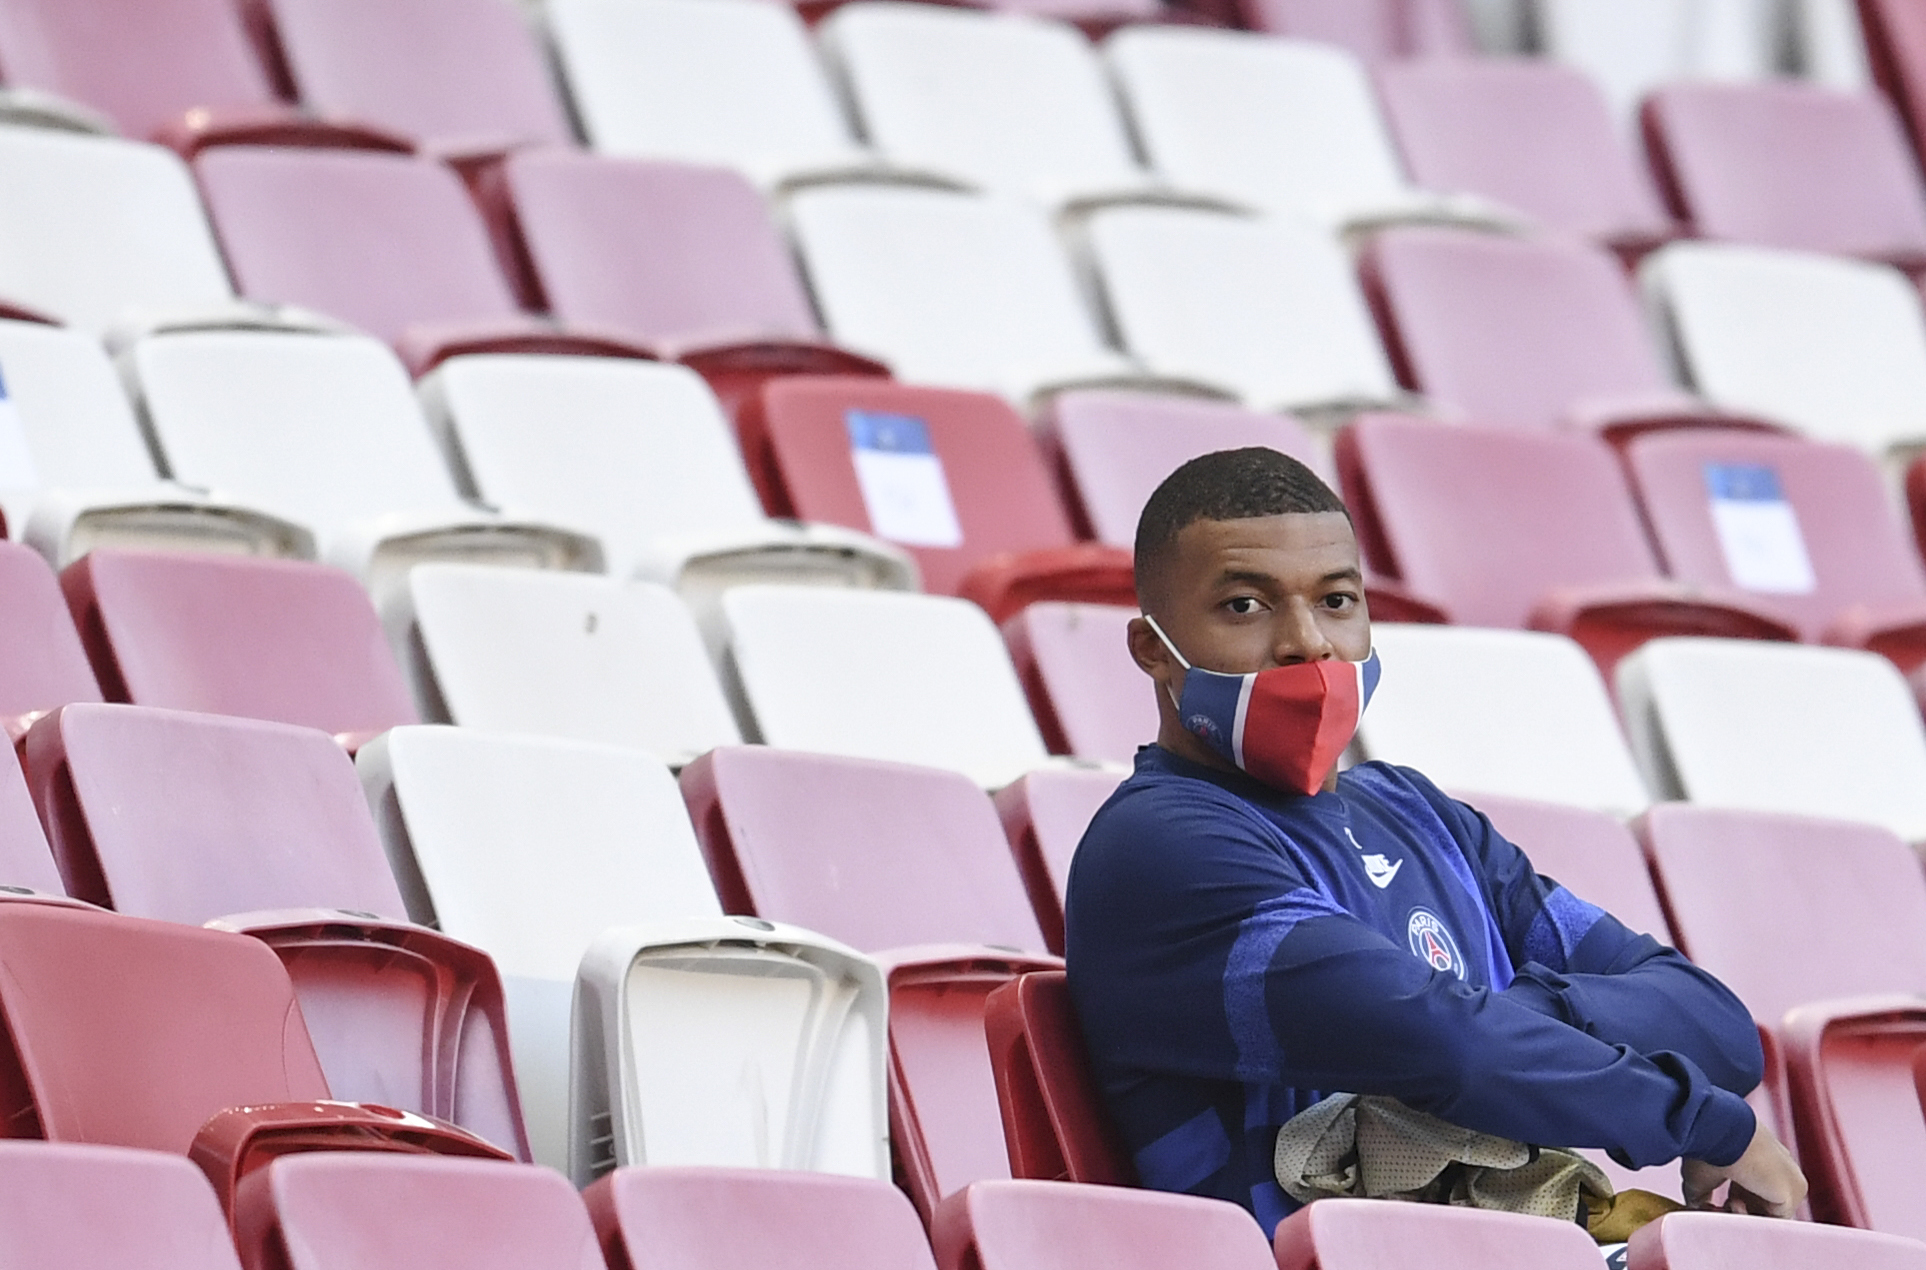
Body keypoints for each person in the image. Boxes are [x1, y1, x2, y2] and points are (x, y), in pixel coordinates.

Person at [1063, 447, 1805, 1235]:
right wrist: (1708, 1122)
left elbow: (1716, 1024)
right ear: (1151, 648)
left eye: (1338, 601)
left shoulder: (1417, 813)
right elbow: (1451, 1053)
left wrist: (1522, 1008)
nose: (1308, 644)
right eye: (1246, 607)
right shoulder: (1160, 846)